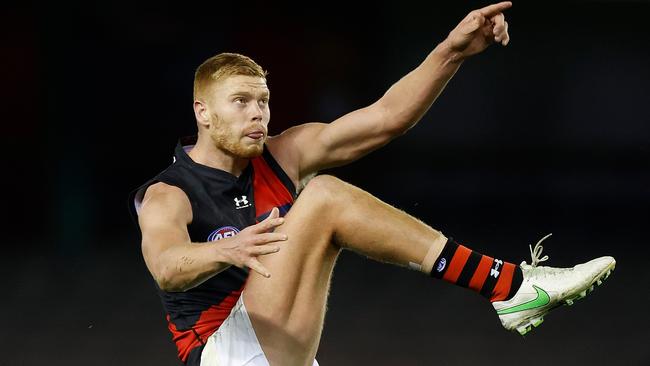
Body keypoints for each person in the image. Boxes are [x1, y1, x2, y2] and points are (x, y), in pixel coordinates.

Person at [129, 2, 615, 365]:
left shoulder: (285, 153)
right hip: (222, 356)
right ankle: (508, 286)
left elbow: (386, 119)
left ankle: (511, 290)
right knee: (323, 197)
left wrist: (451, 52)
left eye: (264, 100)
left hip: (281, 351)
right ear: (203, 113)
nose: (258, 114)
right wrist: (226, 250)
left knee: (321, 197)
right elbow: (167, 266)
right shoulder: (169, 192)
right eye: (241, 101)